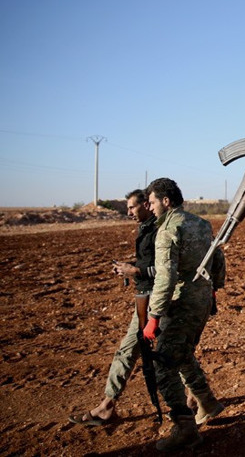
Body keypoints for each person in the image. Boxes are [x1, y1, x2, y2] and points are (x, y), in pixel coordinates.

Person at [141, 178, 225, 451]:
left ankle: (185, 428)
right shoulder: (201, 223)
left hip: (180, 304)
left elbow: (166, 277)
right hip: (201, 300)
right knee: (184, 353)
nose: (149, 207)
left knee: (164, 365)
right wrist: (213, 290)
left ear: (166, 201)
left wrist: (153, 316)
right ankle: (207, 402)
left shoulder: (167, 230)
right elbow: (217, 257)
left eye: (152, 202)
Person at [68, 189, 158, 426]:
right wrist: (128, 267)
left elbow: (166, 268)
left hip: (156, 302)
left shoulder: (160, 230)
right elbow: (148, 263)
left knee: (166, 353)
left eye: (132, 207)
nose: (128, 212)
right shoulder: (145, 229)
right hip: (143, 300)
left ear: (147, 205)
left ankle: (196, 400)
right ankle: (107, 406)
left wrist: (134, 270)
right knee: (130, 351)